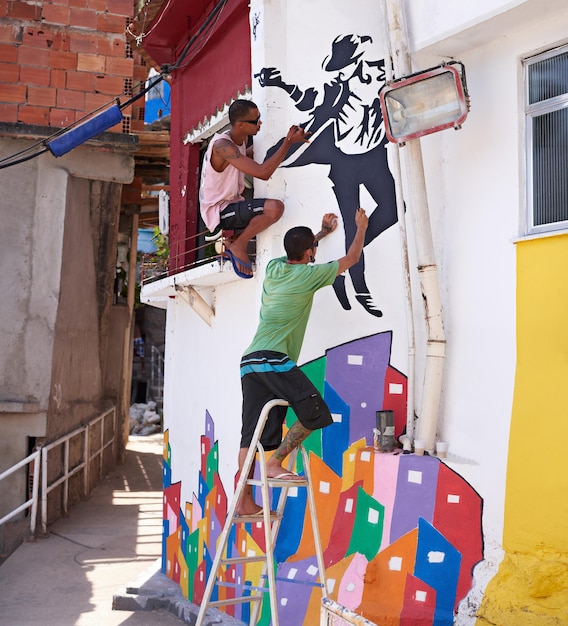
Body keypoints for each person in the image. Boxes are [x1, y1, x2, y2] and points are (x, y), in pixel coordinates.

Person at [237, 208, 369, 516]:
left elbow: (299, 250)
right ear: (309, 253)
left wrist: (320, 233)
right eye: (313, 249)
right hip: (274, 360)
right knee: (316, 412)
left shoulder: (275, 268)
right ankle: (274, 463)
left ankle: (243, 500)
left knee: (250, 434)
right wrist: (359, 226)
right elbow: (351, 259)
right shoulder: (309, 276)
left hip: (250, 361)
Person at [199, 99, 310, 278]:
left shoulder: (239, 142)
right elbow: (262, 172)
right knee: (275, 208)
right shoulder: (222, 146)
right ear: (241, 125)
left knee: (267, 209)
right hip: (219, 211)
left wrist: (285, 139)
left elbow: (255, 156)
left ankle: (235, 241)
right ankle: (238, 244)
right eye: (255, 121)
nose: (260, 123)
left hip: (233, 205)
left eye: (259, 118)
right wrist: (288, 142)